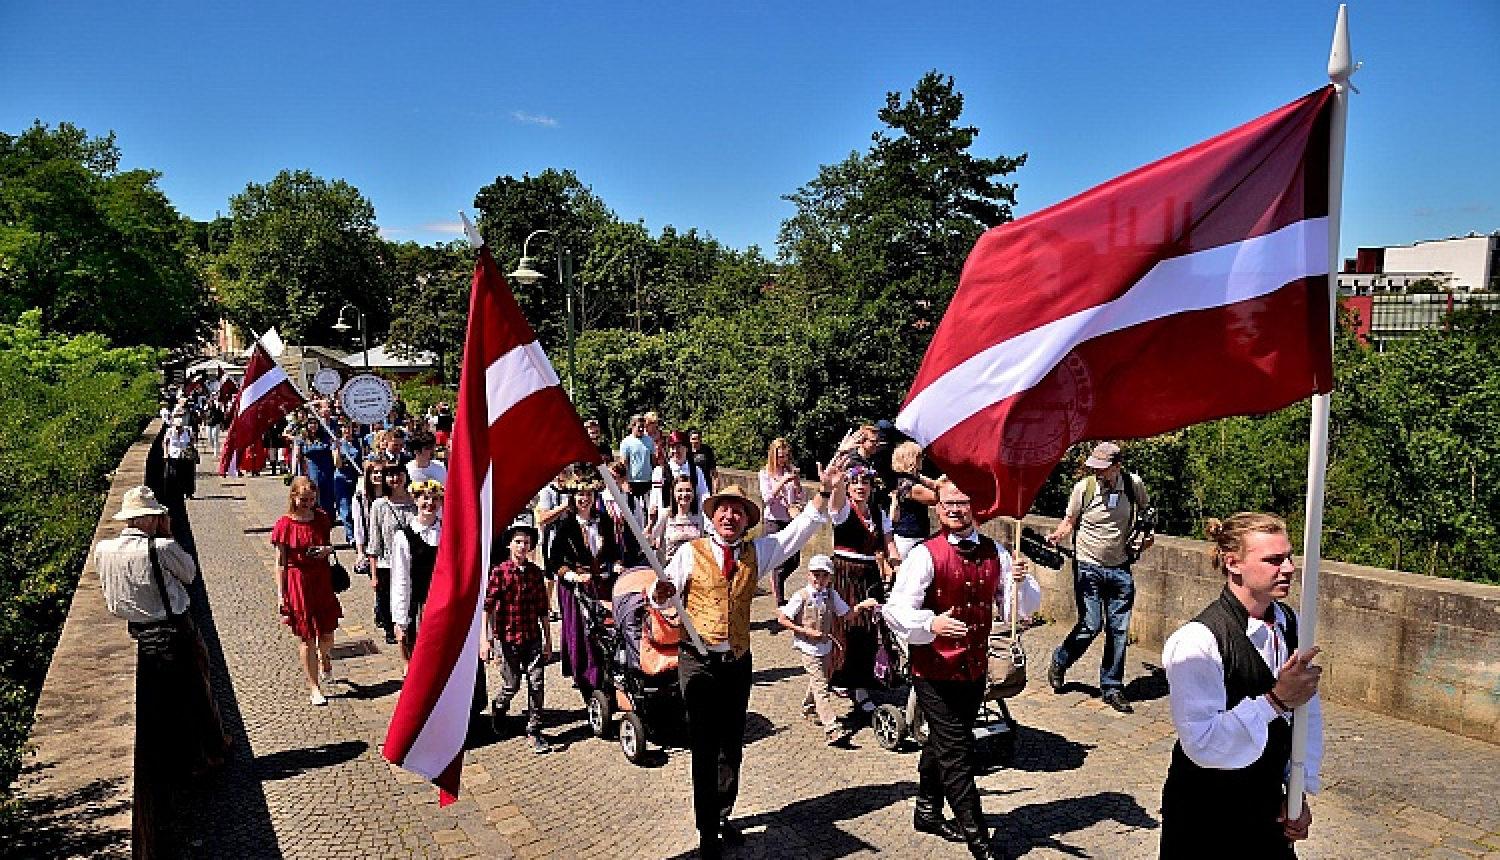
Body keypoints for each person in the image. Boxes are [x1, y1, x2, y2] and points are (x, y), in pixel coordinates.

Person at [649, 455, 848, 860]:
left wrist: (824, 491)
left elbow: (799, 531)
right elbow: (660, 588)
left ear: (746, 519)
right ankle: (707, 830)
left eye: (738, 511)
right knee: (704, 746)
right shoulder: (692, 552)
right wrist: (661, 593)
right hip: (698, 660)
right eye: (724, 509)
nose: (730, 516)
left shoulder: (759, 552)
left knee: (731, 746)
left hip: (737, 662)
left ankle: (723, 815)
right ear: (713, 514)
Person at [883, 479, 1040, 860]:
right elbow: (895, 610)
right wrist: (930, 624)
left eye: (964, 502)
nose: (955, 509)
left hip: (973, 670)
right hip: (933, 671)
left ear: (977, 509)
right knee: (957, 751)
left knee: (942, 742)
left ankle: (926, 810)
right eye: (949, 503)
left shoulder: (997, 553)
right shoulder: (924, 555)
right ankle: (979, 839)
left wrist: (1023, 581)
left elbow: (1022, 610)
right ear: (938, 509)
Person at [1159, 513, 1324, 859]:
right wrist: (1276, 700)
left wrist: (1296, 793)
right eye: (1274, 560)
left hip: (1266, 804)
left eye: (1289, 556)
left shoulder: (1289, 623)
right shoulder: (1197, 642)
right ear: (1233, 563)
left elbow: (1305, 716)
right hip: (1207, 814)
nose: (1290, 568)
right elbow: (1202, 742)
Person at [96, 486, 231, 776]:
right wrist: (168, 534)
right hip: (174, 630)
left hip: (137, 632)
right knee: (196, 691)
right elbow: (189, 573)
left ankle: (192, 757)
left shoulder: (104, 549)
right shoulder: (161, 548)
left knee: (166, 702)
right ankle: (209, 753)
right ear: (148, 519)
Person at [1045, 441, 1153, 713]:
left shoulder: (1132, 484)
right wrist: (1057, 536)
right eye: (1095, 468)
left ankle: (1112, 687)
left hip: (1120, 566)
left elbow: (1148, 514)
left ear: (1117, 466)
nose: (1098, 473)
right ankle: (1060, 660)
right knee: (1091, 625)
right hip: (1087, 565)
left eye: (1103, 469)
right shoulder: (1085, 487)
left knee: (1118, 631)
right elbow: (1069, 521)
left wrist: (1145, 539)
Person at [827, 462, 898, 716]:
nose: (860, 487)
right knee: (848, 629)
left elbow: (890, 546)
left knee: (870, 631)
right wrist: (835, 483)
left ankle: (861, 683)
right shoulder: (843, 510)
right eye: (855, 483)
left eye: (865, 483)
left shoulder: (879, 515)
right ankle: (843, 681)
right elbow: (834, 501)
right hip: (845, 575)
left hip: (870, 576)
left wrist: (899, 566)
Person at [547, 471, 621, 703]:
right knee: (582, 632)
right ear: (573, 497)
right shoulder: (566, 525)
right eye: (580, 494)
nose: (584, 499)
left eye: (588, 494)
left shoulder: (604, 520)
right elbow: (554, 560)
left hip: (600, 584)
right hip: (575, 587)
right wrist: (572, 576)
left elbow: (614, 550)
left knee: (604, 631)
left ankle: (607, 675)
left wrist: (616, 565)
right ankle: (587, 678)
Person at [482, 523, 554, 754]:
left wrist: (548, 640)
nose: (522, 547)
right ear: (509, 544)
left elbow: (543, 608)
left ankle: (534, 729)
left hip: (532, 636)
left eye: (526, 542)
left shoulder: (535, 573)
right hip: (507, 638)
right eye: (518, 542)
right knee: (511, 685)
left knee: (536, 683)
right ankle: (500, 706)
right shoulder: (499, 572)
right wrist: (485, 640)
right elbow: (488, 607)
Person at [271, 477, 343, 705]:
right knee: (306, 637)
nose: (308, 504)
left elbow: (329, 543)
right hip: (298, 581)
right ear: (293, 497)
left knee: (328, 635)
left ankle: (325, 657)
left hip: (321, 579)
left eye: (312, 499)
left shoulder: (321, 517)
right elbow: (280, 562)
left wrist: (326, 550)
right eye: (304, 500)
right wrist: (281, 593)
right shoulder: (285, 524)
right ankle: (314, 687)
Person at [776, 555, 855, 746]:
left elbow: (847, 613)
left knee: (821, 679)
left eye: (824, 576)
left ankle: (808, 707)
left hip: (826, 646)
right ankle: (832, 728)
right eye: (815, 575)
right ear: (808, 575)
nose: (819, 580)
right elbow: (782, 619)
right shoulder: (800, 596)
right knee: (821, 686)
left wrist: (863, 606)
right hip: (808, 647)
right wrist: (804, 631)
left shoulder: (831, 595)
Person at [390, 480, 443, 673]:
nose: (430, 503)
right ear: (416, 500)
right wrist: (400, 619)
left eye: (435, 499)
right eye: (425, 498)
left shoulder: (446, 533)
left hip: (441, 604)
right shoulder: (404, 537)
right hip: (418, 604)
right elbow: (400, 579)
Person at [366, 466, 417, 646]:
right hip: (387, 565)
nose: (395, 479)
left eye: (399, 474)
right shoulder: (379, 505)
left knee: (412, 608)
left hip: (414, 564)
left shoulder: (416, 502)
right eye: (390, 475)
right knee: (392, 607)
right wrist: (374, 575)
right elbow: (374, 542)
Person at [758, 437, 806, 605]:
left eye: (786, 456)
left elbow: (801, 497)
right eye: (780, 456)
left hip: (791, 518)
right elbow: (767, 499)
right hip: (774, 520)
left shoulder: (790, 470)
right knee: (778, 561)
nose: (783, 460)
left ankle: (776, 580)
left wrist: (797, 483)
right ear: (773, 455)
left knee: (794, 560)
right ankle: (780, 600)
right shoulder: (765, 474)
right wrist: (783, 482)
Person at [889, 441, 940, 561]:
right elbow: (936, 498)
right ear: (912, 459)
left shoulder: (909, 479)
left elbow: (934, 484)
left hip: (913, 535)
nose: (923, 459)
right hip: (909, 537)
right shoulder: (909, 485)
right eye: (920, 456)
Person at [650, 430, 711, 530]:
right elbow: (655, 496)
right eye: (672, 448)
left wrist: (708, 523)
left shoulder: (696, 471)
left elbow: (704, 495)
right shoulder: (660, 471)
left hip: (692, 520)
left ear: (686, 448)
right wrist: (653, 521)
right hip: (669, 521)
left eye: (679, 447)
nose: (675, 451)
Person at [649, 473, 705, 564]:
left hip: (692, 568)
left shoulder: (698, 516)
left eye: (688, 490)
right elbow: (650, 540)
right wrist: (650, 524)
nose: (684, 494)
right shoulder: (666, 514)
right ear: (674, 494)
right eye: (680, 491)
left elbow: (702, 545)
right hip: (670, 568)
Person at [297, 420, 337, 518]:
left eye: (315, 423)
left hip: (326, 471)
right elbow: (299, 458)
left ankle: (329, 519)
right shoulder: (302, 439)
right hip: (311, 471)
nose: (313, 426)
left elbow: (333, 451)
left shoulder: (326, 436)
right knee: (313, 494)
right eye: (310, 423)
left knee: (327, 496)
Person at [332, 422, 363, 543]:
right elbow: (337, 464)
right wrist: (338, 451)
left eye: (349, 427)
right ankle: (351, 536)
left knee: (358, 508)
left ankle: (359, 533)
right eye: (344, 427)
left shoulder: (358, 442)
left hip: (357, 478)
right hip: (342, 479)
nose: (347, 430)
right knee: (346, 509)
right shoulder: (337, 443)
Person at [619, 414, 656, 505]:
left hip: (648, 481)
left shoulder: (649, 440)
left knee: (649, 508)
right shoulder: (626, 442)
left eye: (643, 427)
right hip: (632, 482)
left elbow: (653, 460)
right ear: (632, 426)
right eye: (639, 427)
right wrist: (624, 481)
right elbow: (624, 463)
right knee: (633, 508)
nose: (641, 429)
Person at [163, 415, 197, 500]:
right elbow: (165, 442)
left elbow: (193, 439)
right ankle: (176, 492)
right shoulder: (170, 431)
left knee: (188, 475)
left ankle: (189, 493)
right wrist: (165, 453)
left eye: (180, 427)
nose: (178, 429)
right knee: (174, 474)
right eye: (177, 427)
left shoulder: (188, 430)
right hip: (174, 455)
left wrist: (190, 445)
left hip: (186, 456)